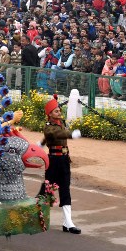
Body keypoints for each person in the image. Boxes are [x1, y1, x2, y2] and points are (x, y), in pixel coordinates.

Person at [39, 95, 82, 234]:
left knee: (65, 189)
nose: (59, 113)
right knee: (47, 189)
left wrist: (41, 143)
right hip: (53, 161)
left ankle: (68, 223)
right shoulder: (49, 127)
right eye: (56, 111)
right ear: (50, 114)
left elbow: (52, 135)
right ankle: (37, 214)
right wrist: (71, 135)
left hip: (63, 160)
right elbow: (56, 134)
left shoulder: (59, 123)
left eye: (59, 110)